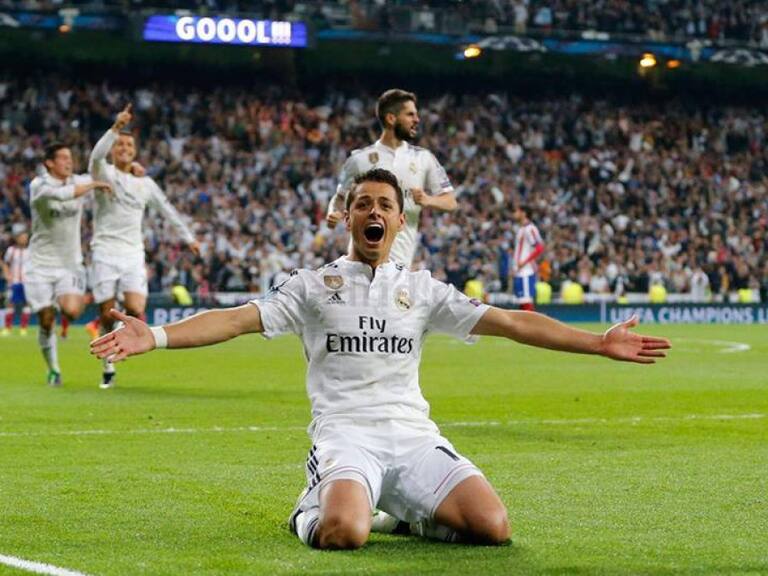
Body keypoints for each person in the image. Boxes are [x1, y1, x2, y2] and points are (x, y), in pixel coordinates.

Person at [90, 168, 670, 550]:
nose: (374, 211)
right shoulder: (311, 285)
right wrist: (156, 335)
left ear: (399, 220)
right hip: (346, 436)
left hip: (413, 436)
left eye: (385, 205)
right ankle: (310, 507)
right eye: (363, 204)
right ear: (348, 218)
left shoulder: (422, 289)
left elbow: (512, 322)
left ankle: (404, 513)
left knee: (493, 528)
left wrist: (597, 343)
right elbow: (237, 319)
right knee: (344, 532)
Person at [88, 104, 199, 389]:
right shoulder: (103, 172)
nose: (124, 148)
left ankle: (120, 335)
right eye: (120, 144)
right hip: (104, 250)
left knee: (136, 307)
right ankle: (108, 364)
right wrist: (115, 127)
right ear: (114, 149)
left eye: (129, 145)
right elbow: (96, 155)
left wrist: (189, 238)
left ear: (135, 151)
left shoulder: (145, 183)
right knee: (106, 313)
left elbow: (167, 210)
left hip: (132, 252)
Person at [325, 89, 457, 267]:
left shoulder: (424, 158)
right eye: (410, 114)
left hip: (400, 263)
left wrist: (428, 200)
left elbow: (450, 202)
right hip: (360, 262)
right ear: (391, 118)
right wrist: (333, 212)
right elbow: (340, 197)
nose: (417, 120)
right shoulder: (359, 159)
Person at [26, 142, 112, 386]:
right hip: (40, 264)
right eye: (63, 157)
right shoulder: (39, 185)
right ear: (49, 163)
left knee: (73, 311)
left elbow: (106, 171)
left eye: (70, 157)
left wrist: (134, 168)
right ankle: (53, 369)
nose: (69, 161)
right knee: (45, 320)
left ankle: (59, 302)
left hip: (69, 264)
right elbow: (62, 194)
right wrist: (92, 185)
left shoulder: (79, 180)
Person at [512, 205, 544, 311]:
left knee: (526, 303)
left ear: (524, 213)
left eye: (516, 211)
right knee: (522, 303)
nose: (514, 214)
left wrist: (524, 262)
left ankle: (534, 322)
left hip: (526, 270)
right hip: (519, 270)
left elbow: (539, 248)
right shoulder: (521, 229)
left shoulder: (530, 228)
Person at [2, 225, 31, 337]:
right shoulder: (11, 250)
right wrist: (7, 274)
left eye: (26, 237)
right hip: (14, 282)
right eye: (22, 237)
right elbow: (5, 263)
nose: (24, 239)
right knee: (10, 304)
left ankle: (23, 329)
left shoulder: (30, 251)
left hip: (27, 282)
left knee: (26, 304)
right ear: (17, 238)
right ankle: (7, 328)